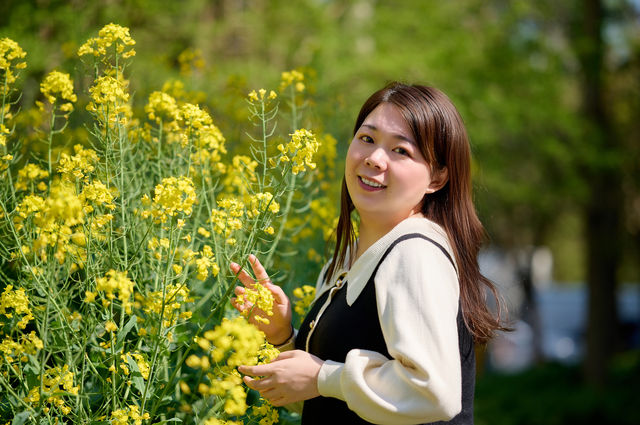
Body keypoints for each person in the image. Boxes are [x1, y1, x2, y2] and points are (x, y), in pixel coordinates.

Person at [230, 82, 506, 424]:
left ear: (437, 177)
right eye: (367, 139)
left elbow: (434, 391)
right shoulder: (346, 263)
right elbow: (330, 404)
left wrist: (323, 377)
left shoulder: (415, 252)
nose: (375, 159)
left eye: (401, 151)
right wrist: (282, 337)